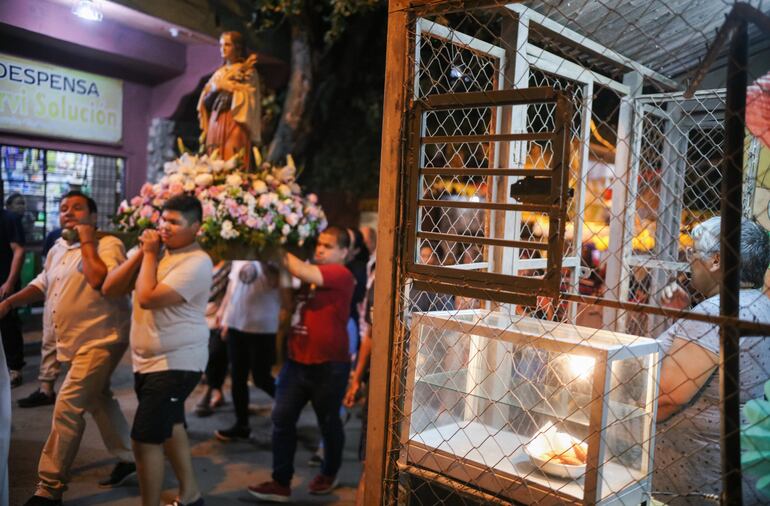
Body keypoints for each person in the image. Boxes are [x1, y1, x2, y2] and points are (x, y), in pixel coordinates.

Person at [0, 191, 135, 506]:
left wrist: (87, 239)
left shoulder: (109, 244)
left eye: (77, 208)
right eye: (63, 209)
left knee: (68, 405)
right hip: (73, 340)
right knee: (100, 399)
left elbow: (99, 279)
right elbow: (44, 282)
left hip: (102, 339)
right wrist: (8, 303)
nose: (69, 213)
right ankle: (128, 456)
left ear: (93, 216)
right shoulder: (58, 247)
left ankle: (50, 488)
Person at [103, 194, 212, 506]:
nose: (165, 227)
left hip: (177, 361)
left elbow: (148, 296)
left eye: (175, 222)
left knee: (144, 438)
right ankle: (190, 496)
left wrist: (149, 253)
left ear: (196, 228)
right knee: (171, 427)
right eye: (164, 219)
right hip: (148, 362)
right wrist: (141, 255)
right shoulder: (152, 252)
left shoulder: (197, 262)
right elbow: (111, 287)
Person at [653, 217, 770, 504]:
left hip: (691, 482)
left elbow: (666, 397)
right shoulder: (759, 304)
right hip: (739, 474)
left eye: (693, 255)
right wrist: (685, 317)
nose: (690, 263)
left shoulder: (713, 314)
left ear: (716, 260)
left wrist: (619, 423)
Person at [248, 226, 355, 502]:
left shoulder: (340, 274)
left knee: (328, 422)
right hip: (297, 362)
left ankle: (329, 473)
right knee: (281, 418)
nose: (320, 249)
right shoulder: (309, 274)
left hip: (329, 365)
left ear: (344, 252)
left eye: (328, 246)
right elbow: (287, 297)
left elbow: (302, 270)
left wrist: (272, 243)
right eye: (318, 244)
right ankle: (280, 482)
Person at [214, 260, 280, 441]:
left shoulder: (272, 258)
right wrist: (224, 314)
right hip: (237, 325)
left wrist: (266, 260)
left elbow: (277, 282)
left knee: (261, 377)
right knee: (237, 377)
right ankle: (241, 424)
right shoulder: (240, 256)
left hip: (262, 327)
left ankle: (289, 407)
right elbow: (232, 287)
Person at [197, 31, 261, 168]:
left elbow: (250, 97)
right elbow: (205, 100)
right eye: (221, 45)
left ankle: (234, 186)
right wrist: (218, 86)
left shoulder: (248, 72)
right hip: (216, 118)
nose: (223, 49)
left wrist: (233, 89)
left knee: (233, 155)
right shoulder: (219, 73)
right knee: (214, 154)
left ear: (237, 47)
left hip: (235, 118)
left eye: (227, 45)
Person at [17, 228, 65, 408]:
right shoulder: (56, 241)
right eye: (64, 208)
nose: (68, 213)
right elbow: (46, 272)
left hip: (77, 312)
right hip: (53, 300)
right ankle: (46, 389)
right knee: (49, 344)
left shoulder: (101, 244)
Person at [194, 261, 231, 417]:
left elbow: (233, 291)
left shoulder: (230, 266)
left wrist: (227, 316)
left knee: (215, 355)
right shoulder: (199, 261)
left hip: (218, 318)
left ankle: (208, 392)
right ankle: (217, 391)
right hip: (196, 316)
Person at [0, 185, 26, 388]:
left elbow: (18, 251)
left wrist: (9, 281)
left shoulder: (9, 218)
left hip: (3, 282)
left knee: (8, 323)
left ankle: (15, 368)